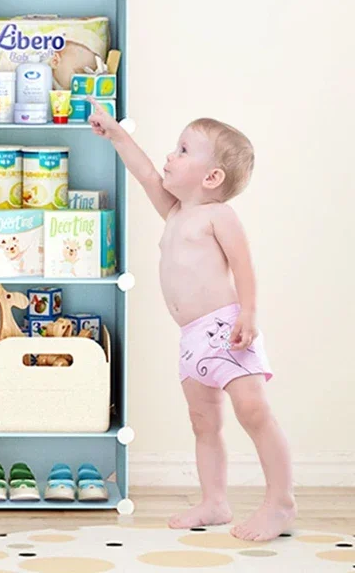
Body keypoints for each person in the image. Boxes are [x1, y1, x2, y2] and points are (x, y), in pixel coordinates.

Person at [88, 98, 295, 541]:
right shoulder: (177, 212)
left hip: (227, 330)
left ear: (212, 176)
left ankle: (280, 502)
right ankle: (215, 502)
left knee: (253, 410)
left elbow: (244, 266)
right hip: (192, 338)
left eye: (182, 150)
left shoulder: (219, 216)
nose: (169, 155)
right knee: (204, 421)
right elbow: (145, 172)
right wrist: (115, 132)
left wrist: (250, 314)